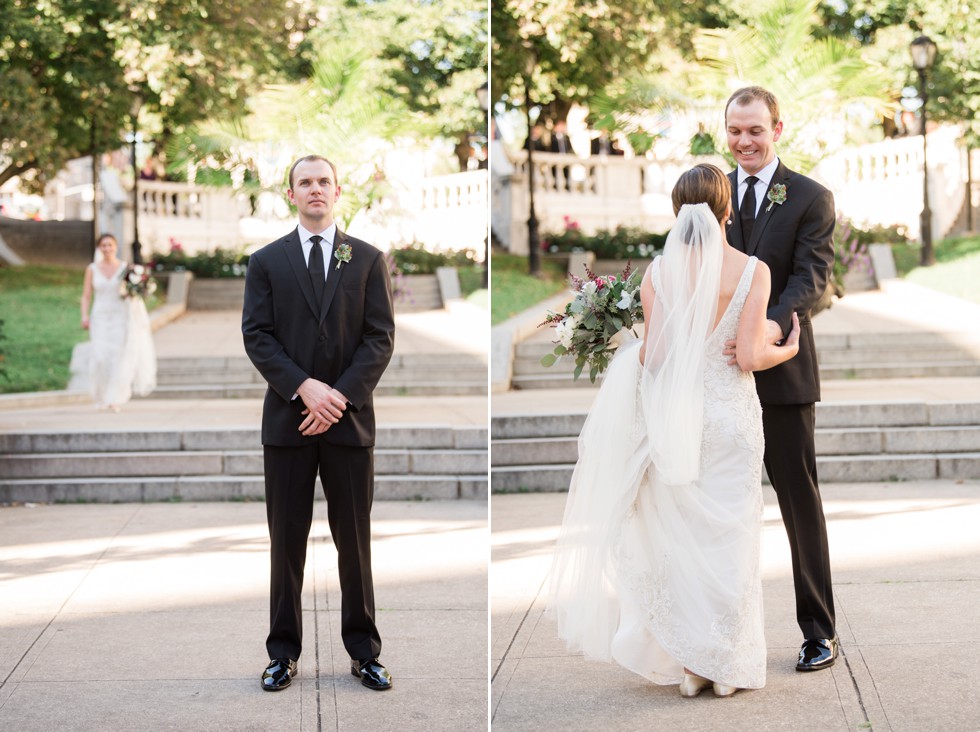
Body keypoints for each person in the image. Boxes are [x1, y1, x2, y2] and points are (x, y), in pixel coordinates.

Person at [548, 164, 801, 697]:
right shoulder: (754, 271)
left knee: (683, 543)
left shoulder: (659, 273)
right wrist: (790, 347)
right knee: (730, 540)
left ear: (676, 212)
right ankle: (726, 667)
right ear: (727, 210)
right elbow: (751, 355)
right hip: (731, 420)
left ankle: (692, 667)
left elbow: (657, 358)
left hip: (679, 423)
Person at [242, 155, 396, 693]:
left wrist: (340, 397)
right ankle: (282, 653)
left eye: (323, 181)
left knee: (354, 542)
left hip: (348, 426)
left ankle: (364, 652)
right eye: (304, 182)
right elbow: (257, 335)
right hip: (288, 423)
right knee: (286, 542)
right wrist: (304, 388)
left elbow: (380, 337)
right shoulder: (265, 262)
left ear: (338, 190)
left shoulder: (368, 259)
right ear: (290, 194)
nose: (315, 190)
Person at [721, 86, 838, 672]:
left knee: (799, 502)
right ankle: (719, 635)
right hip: (716, 381)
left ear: (778, 129)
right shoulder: (710, 195)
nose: (744, 141)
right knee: (716, 506)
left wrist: (761, 331)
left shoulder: (810, 197)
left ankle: (819, 630)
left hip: (782, 374)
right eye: (735, 131)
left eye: (755, 131)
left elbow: (812, 281)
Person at [80, 233, 157, 411]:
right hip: (100, 315)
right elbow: (86, 296)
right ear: (99, 248)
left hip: (120, 316)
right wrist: (84, 316)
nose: (107, 248)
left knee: (117, 358)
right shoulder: (92, 269)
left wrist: (135, 290)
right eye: (104, 245)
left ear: (116, 247)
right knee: (100, 357)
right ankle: (100, 396)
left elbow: (132, 293)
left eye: (110, 245)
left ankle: (114, 397)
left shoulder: (125, 268)